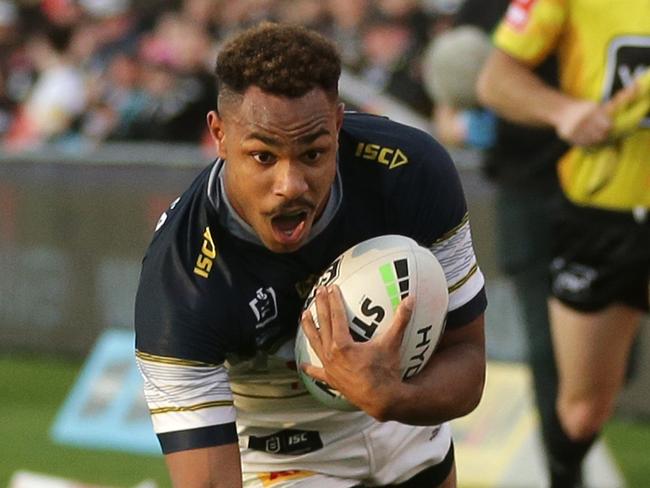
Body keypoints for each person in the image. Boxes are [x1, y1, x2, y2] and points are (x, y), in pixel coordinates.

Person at [135, 22, 487, 488]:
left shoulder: (411, 171)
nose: (291, 185)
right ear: (219, 135)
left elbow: (468, 360)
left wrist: (392, 398)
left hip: (406, 425)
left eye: (314, 154)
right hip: (281, 452)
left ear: (338, 126)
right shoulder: (181, 282)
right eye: (263, 157)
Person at [476, 1, 650, 486]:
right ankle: (566, 474)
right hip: (594, 216)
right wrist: (564, 110)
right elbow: (494, 80)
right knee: (581, 411)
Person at [425, 0, 568, 485]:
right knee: (547, 349)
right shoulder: (479, 11)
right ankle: (563, 475)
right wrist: (468, 123)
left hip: (600, 193)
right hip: (523, 195)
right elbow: (447, 112)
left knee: (611, 351)